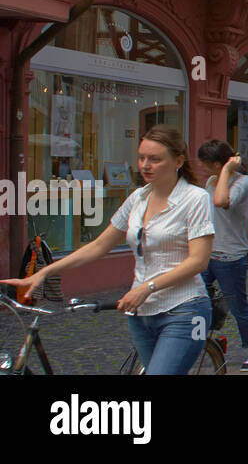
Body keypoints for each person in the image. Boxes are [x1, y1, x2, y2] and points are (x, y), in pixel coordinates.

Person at [4, 126, 214, 375]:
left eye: (155, 159)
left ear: (178, 161)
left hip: (184, 309)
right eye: (142, 157)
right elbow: (99, 245)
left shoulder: (195, 198)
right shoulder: (138, 198)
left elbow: (198, 261)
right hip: (140, 314)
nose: (145, 165)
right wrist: (44, 272)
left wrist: (147, 288)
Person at [196, 139, 248, 371]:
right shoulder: (212, 180)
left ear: (219, 164)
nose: (203, 168)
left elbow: (221, 202)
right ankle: (200, 342)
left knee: (238, 306)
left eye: (207, 164)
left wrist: (228, 171)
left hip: (231, 256)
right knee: (192, 298)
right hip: (208, 253)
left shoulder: (242, 182)